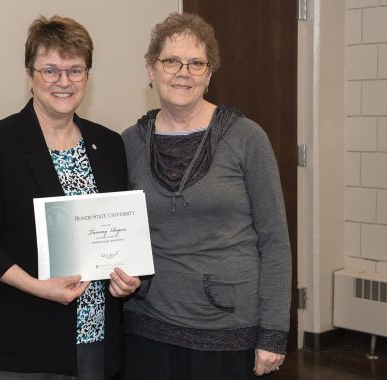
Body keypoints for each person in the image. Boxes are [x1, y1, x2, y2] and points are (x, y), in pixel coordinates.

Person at [0, 15, 140, 380]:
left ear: (87, 76)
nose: (63, 82)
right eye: (50, 70)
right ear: (29, 75)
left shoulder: (110, 145)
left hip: (96, 337)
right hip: (23, 337)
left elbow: (117, 233)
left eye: (75, 70)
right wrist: (38, 287)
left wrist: (128, 278)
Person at [121, 12, 292, 380]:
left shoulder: (247, 138)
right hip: (148, 328)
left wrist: (274, 334)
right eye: (171, 61)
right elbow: (119, 234)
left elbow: (275, 241)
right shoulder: (130, 143)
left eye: (196, 63)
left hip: (231, 332)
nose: (183, 72)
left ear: (209, 74)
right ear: (151, 70)